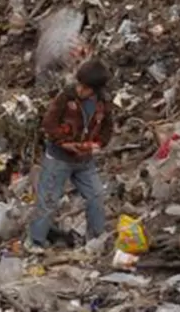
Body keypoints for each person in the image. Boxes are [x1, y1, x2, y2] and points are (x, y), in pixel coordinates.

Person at [26, 59, 115, 250]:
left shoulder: (103, 103)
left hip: (84, 159)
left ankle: (96, 241)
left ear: (95, 89)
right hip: (58, 158)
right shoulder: (66, 97)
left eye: (85, 88)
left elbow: (108, 128)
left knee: (96, 196)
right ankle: (35, 242)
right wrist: (64, 143)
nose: (80, 90)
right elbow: (48, 124)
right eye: (79, 84)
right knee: (48, 201)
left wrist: (97, 144)